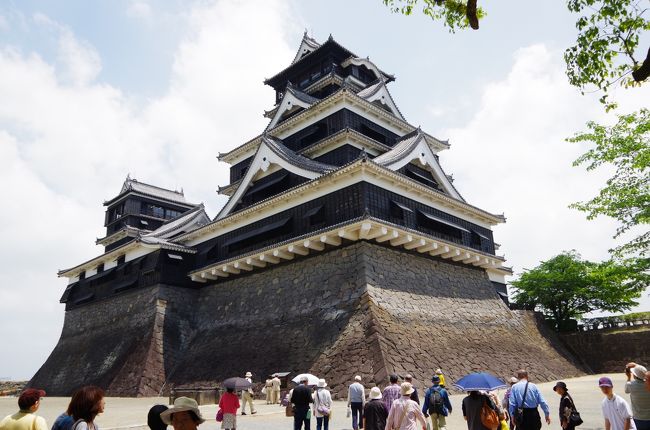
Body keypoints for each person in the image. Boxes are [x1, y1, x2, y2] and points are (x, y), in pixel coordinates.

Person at [625, 363, 650, 430]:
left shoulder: (630, 385)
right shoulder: (648, 384)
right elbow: (646, 374)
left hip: (638, 417)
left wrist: (628, 377)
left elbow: (626, 390)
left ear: (634, 375)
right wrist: (636, 365)